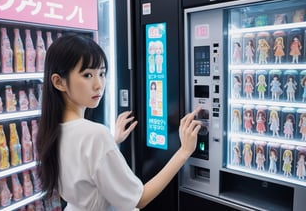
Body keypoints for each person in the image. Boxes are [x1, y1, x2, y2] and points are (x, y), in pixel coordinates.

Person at [36, 34, 202, 211]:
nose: (98, 84)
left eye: (101, 73)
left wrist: (113, 142)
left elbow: (82, 168)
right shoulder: (94, 135)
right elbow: (139, 199)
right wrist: (184, 151)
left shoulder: (52, 129)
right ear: (59, 82)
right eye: (87, 75)